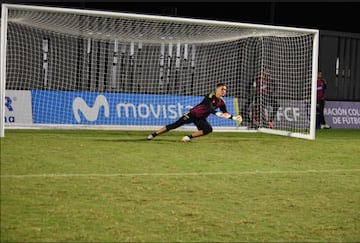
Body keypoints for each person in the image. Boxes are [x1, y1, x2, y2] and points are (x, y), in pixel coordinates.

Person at [147, 83, 242, 142]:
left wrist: (234, 118)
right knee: (175, 125)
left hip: (201, 118)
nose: (224, 91)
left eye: (225, 90)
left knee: (208, 129)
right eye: (222, 89)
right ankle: (153, 135)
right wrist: (218, 114)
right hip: (192, 114)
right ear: (217, 89)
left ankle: (188, 137)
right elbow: (209, 108)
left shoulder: (222, 102)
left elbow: (225, 112)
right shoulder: (210, 96)